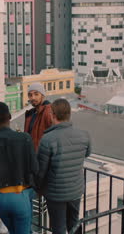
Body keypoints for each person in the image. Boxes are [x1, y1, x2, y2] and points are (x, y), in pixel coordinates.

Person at [36, 99, 91, 234]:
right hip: (75, 189)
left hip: (56, 192)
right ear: (69, 114)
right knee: (74, 222)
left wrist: (37, 188)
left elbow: (40, 170)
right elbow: (87, 153)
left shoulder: (48, 139)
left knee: (58, 227)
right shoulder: (84, 135)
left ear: (52, 114)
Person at [0, 102, 38, 234]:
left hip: (0, 198)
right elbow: (35, 168)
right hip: (20, 195)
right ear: (10, 116)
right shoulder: (25, 138)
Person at [24, 82, 53, 233]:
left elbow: (54, 135)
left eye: (36, 94)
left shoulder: (48, 111)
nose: (33, 97)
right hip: (33, 164)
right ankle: (32, 230)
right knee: (33, 199)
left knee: (42, 201)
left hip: (43, 164)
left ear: (42, 95)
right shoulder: (31, 114)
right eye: (30, 94)